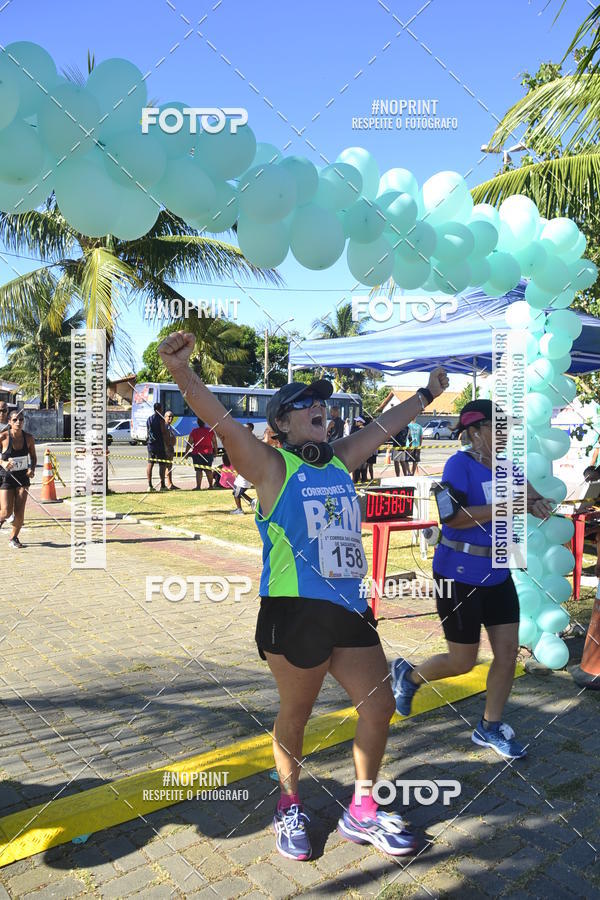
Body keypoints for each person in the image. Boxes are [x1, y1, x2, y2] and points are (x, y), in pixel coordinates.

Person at [158, 329, 449, 860]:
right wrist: (182, 373)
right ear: (283, 423)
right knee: (297, 713)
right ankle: (289, 805)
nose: (319, 406)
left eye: (322, 401)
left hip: (350, 609)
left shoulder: (339, 459)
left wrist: (426, 395)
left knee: (379, 705)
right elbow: (220, 421)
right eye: (304, 404)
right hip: (293, 613)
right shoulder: (270, 465)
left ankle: (362, 810)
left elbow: (385, 426)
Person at [391, 399, 553, 760]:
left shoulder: (509, 468)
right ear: (475, 432)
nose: (505, 433)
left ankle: (489, 727)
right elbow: (453, 518)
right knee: (463, 661)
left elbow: (532, 497)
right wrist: (511, 505)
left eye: (506, 427)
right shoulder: (457, 464)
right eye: (497, 427)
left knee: (507, 653)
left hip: (498, 574)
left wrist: (538, 503)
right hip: (458, 574)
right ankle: (409, 676)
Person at [0, 410, 36, 548]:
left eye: (21, 420)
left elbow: (33, 456)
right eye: (15, 420)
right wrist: (3, 463)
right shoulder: (3, 437)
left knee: (19, 511)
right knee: (5, 511)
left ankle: (14, 538)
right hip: (6, 477)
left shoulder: (29, 438)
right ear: (9, 422)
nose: (18, 422)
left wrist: (31, 469)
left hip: (22, 478)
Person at [187, 417, 218, 490]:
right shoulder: (210, 430)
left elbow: (189, 443)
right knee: (208, 470)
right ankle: (211, 486)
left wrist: (186, 453)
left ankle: (198, 486)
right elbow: (215, 442)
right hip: (208, 453)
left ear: (197, 423)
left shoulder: (194, 431)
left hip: (197, 453)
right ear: (204, 422)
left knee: (198, 470)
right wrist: (215, 452)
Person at [146, 402, 168, 492]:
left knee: (150, 464)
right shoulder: (161, 419)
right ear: (159, 409)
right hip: (159, 444)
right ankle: (162, 485)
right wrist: (166, 444)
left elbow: (148, 432)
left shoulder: (149, 419)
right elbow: (163, 432)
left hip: (150, 444)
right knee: (162, 465)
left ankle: (150, 485)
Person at [163, 410, 178, 490]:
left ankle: (170, 483)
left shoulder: (170, 427)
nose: (171, 418)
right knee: (164, 467)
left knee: (169, 467)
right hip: (166, 450)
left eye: (172, 416)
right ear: (165, 417)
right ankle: (164, 484)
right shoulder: (164, 426)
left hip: (170, 449)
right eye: (169, 416)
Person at [350, 417, 367, 483]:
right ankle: (355, 480)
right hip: (356, 450)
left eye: (357, 421)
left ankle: (363, 479)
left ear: (361, 422)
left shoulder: (365, 429)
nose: (356, 422)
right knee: (357, 466)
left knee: (363, 466)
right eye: (356, 421)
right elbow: (351, 435)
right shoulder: (354, 428)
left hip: (363, 450)